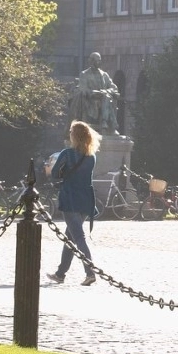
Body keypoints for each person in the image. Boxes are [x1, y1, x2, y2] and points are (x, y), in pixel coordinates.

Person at [45, 121, 102, 286]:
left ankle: (90, 272)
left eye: (71, 132)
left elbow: (55, 174)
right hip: (85, 200)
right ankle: (60, 273)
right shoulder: (91, 156)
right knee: (70, 238)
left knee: (78, 238)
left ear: (75, 136)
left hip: (70, 198)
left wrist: (53, 170)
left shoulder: (67, 153)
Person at [69, 52, 120, 134]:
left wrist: (105, 91)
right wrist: (94, 92)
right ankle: (111, 125)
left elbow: (114, 87)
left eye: (100, 60)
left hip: (104, 98)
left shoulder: (104, 75)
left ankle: (104, 123)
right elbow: (83, 89)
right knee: (107, 98)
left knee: (106, 97)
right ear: (91, 61)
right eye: (97, 60)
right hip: (91, 99)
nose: (99, 62)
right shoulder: (84, 74)